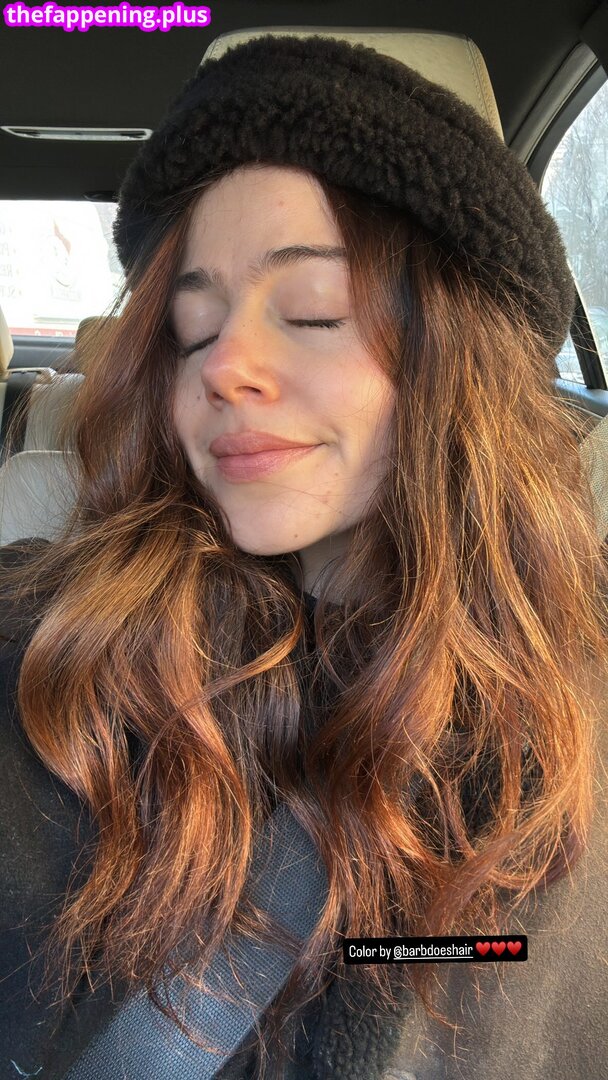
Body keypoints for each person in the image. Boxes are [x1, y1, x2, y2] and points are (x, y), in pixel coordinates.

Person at [0, 32, 607, 1080]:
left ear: (452, 357)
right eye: (194, 325)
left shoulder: (578, 689)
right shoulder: (52, 648)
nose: (225, 364)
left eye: (313, 311)